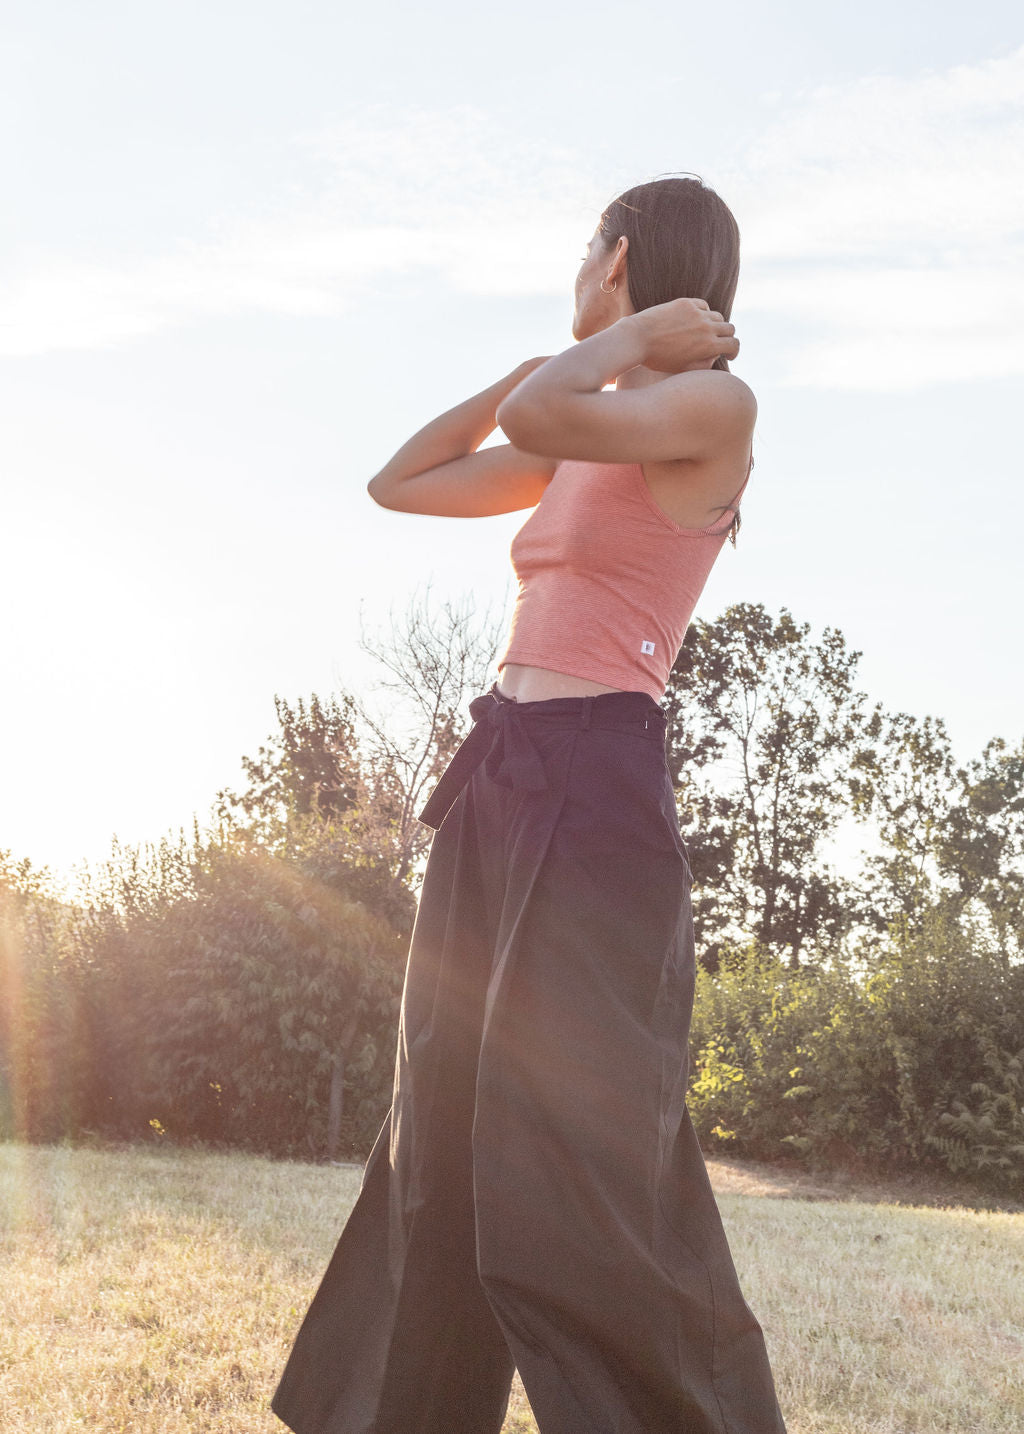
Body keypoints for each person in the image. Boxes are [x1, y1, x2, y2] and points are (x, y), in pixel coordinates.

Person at [271, 175, 788, 1434]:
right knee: (435, 1126)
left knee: (579, 1157)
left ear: (614, 259)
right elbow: (401, 481)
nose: (575, 271)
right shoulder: (578, 420)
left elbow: (549, 404)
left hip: (600, 782)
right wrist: (537, 367)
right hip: (500, 772)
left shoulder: (710, 404)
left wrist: (590, 356)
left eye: (584, 253)